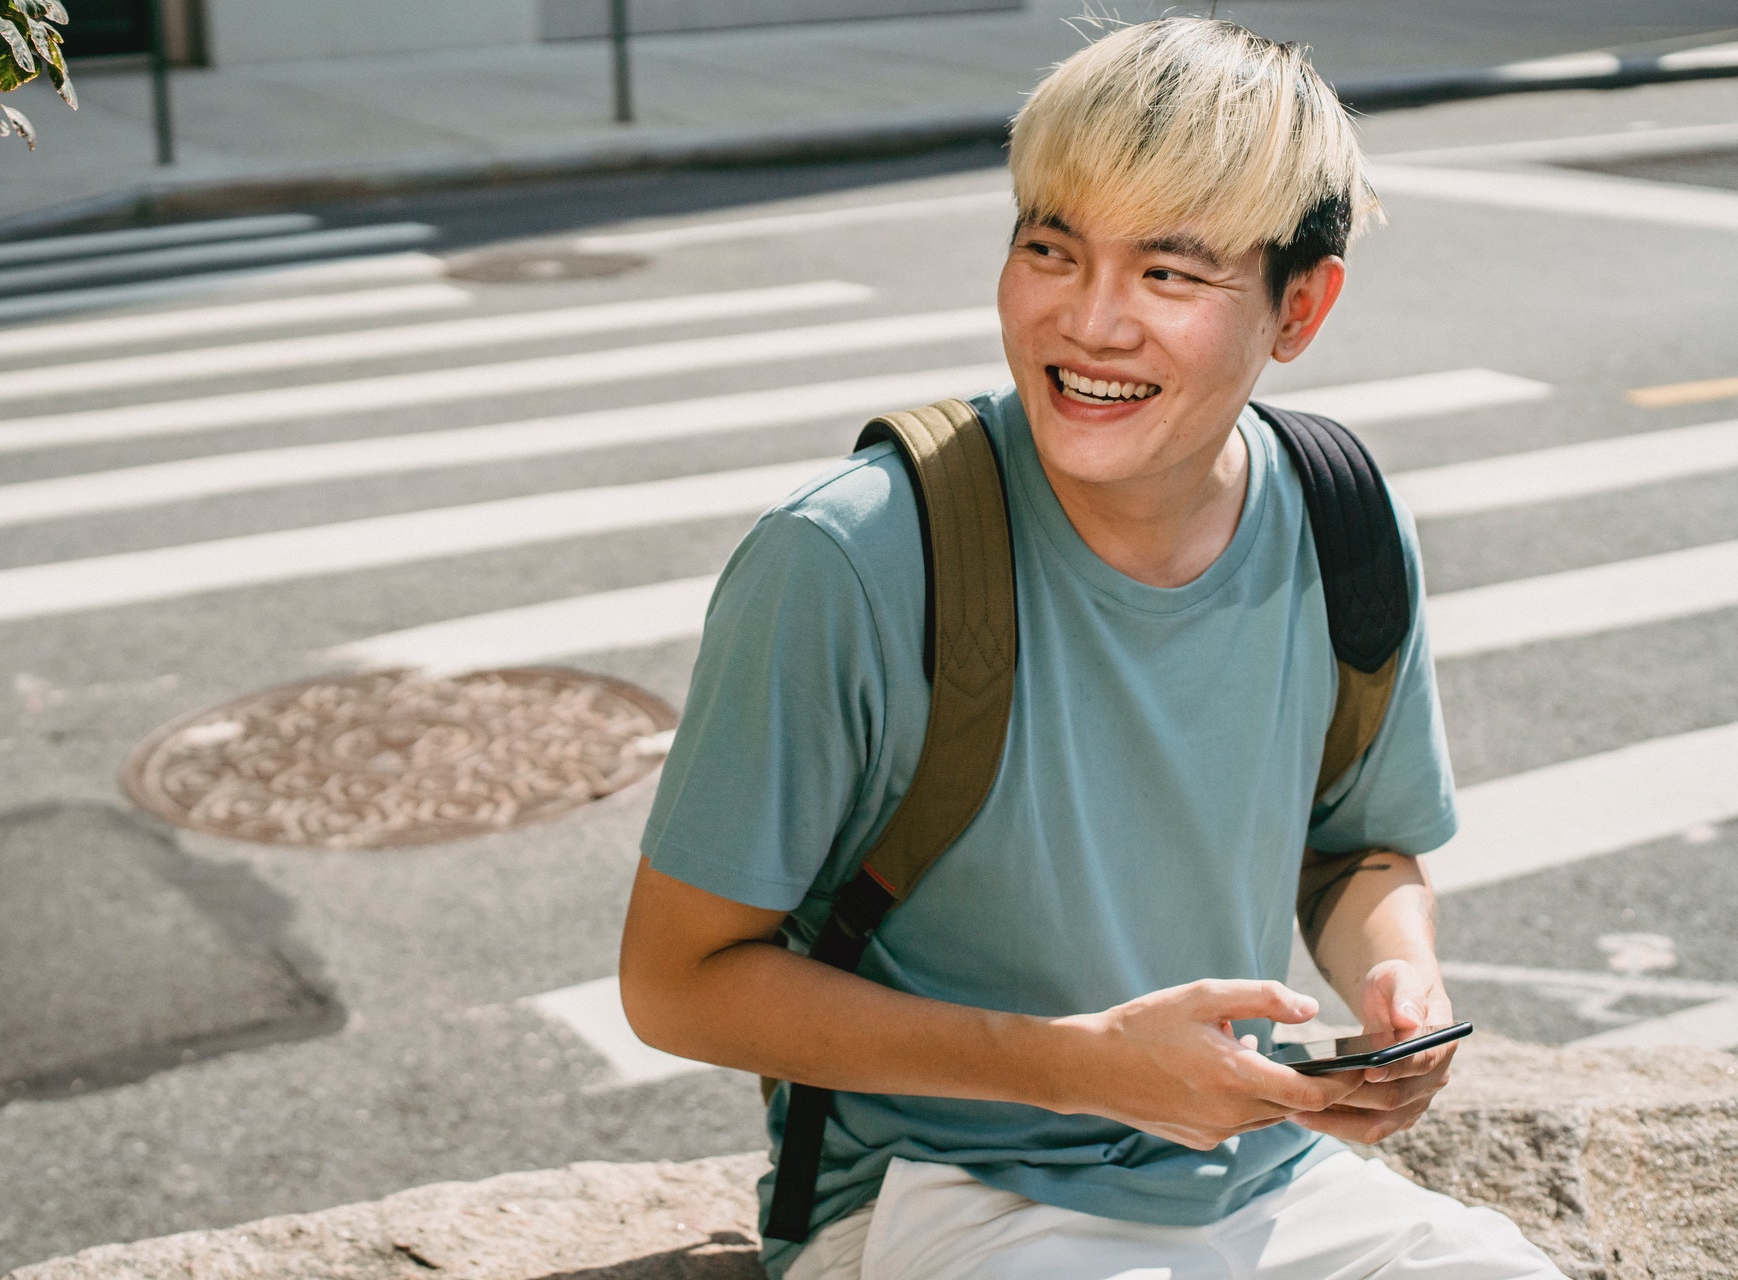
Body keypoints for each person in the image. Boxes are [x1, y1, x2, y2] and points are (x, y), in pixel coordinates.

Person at [618, 17, 1568, 1280]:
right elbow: (676, 981)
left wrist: (1399, 980)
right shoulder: (849, 555)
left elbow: (1353, 846)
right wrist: (1079, 1066)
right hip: (936, 1194)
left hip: (1262, 1169)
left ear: (1301, 307)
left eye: (1170, 276)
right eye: (1051, 249)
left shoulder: (1342, 511)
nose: (1090, 323)